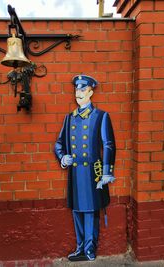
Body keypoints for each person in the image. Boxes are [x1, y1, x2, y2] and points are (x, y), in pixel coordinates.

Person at [54, 75, 116, 261]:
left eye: (82, 90)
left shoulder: (101, 116)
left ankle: (89, 249)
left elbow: (108, 145)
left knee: (90, 210)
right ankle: (80, 246)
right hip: (75, 172)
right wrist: (62, 157)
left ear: (91, 92)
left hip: (92, 172)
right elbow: (59, 143)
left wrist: (107, 172)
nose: (78, 93)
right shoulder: (69, 118)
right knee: (76, 210)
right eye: (76, 90)